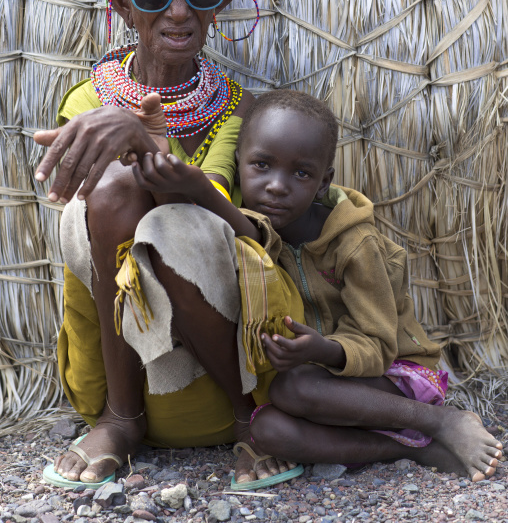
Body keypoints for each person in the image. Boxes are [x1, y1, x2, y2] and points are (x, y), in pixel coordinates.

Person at [34, 0, 300, 489]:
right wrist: (128, 134)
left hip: (223, 374)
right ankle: (121, 420)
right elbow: (95, 219)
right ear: (123, 2)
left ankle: (247, 422)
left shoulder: (243, 112)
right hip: (123, 372)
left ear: (223, 1)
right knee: (110, 190)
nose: (179, 13)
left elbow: (220, 216)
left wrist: (141, 137)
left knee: (176, 221)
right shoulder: (85, 106)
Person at [129, 89, 504, 483]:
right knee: (267, 430)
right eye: (261, 165)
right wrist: (195, 186)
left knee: (293, 389)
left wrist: (323, 349)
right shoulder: (264, 231)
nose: (276, 186)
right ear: (239, 166)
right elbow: (246, 232)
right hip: (324, 386)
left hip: (395, 377)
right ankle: (416, 451)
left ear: (324, 182)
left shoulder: (356, 244)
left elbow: (378, 346)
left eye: (301, 174)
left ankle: (439, 420)